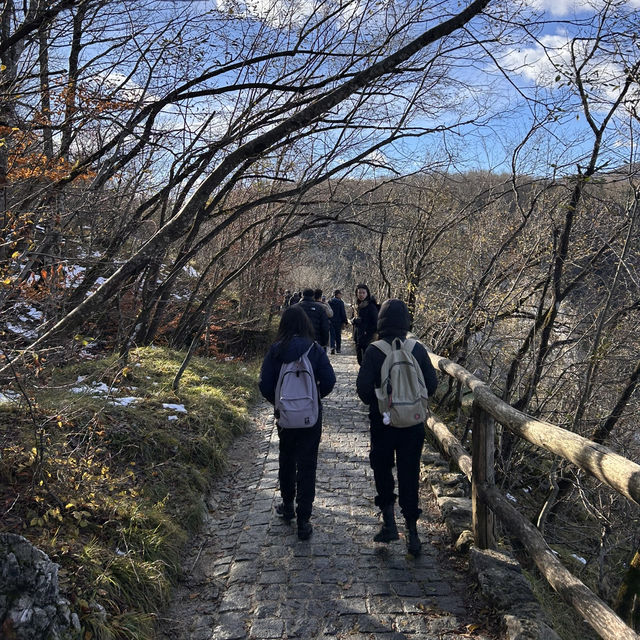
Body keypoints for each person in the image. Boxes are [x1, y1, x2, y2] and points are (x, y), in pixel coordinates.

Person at [356, 299, 438, 556]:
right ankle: (412, 531)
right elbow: (432, 386)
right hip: (412, 423)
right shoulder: (417, 349)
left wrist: (383, 401)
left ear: (380, 321)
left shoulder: (374, 350)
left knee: (382, 467)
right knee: (409, 472)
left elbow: (363, 390)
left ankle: (389, 522)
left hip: (383, 422)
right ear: (406, 323)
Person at [259, 305, 336, 540]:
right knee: (307, 464)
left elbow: (264, 384)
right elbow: (330, 381)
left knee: (286, 458)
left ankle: (287, 505)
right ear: (305, 325)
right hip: (310, 417)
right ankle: (304, 519)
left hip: (285, 418)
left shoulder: (275, 351)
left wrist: (280, 404)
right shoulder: (314, 350)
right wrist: (313, 399)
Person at [351, 283, 378, 365]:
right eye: (359, 293)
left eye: (363, 293)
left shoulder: (371, 306)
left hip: (368, 338)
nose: (361, 295)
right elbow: (351, 318)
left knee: (367, 361)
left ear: (367, 293)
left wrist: (367, 331)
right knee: (360, 360)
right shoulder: (356, 306)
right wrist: (354, 320)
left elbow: (375, 323)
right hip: (358, 337)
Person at [328, 289, 348, 354]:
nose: (341, 295)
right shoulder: (340, 302)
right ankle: (338, 348)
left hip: (331, 320)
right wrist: (345, 321)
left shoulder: (330, 301)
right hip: (338, 321)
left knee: (332, 335)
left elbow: (328, 311)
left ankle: (332, 347)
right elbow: (343, 312)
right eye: (340, 294)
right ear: (338, 294)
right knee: (338, 335)